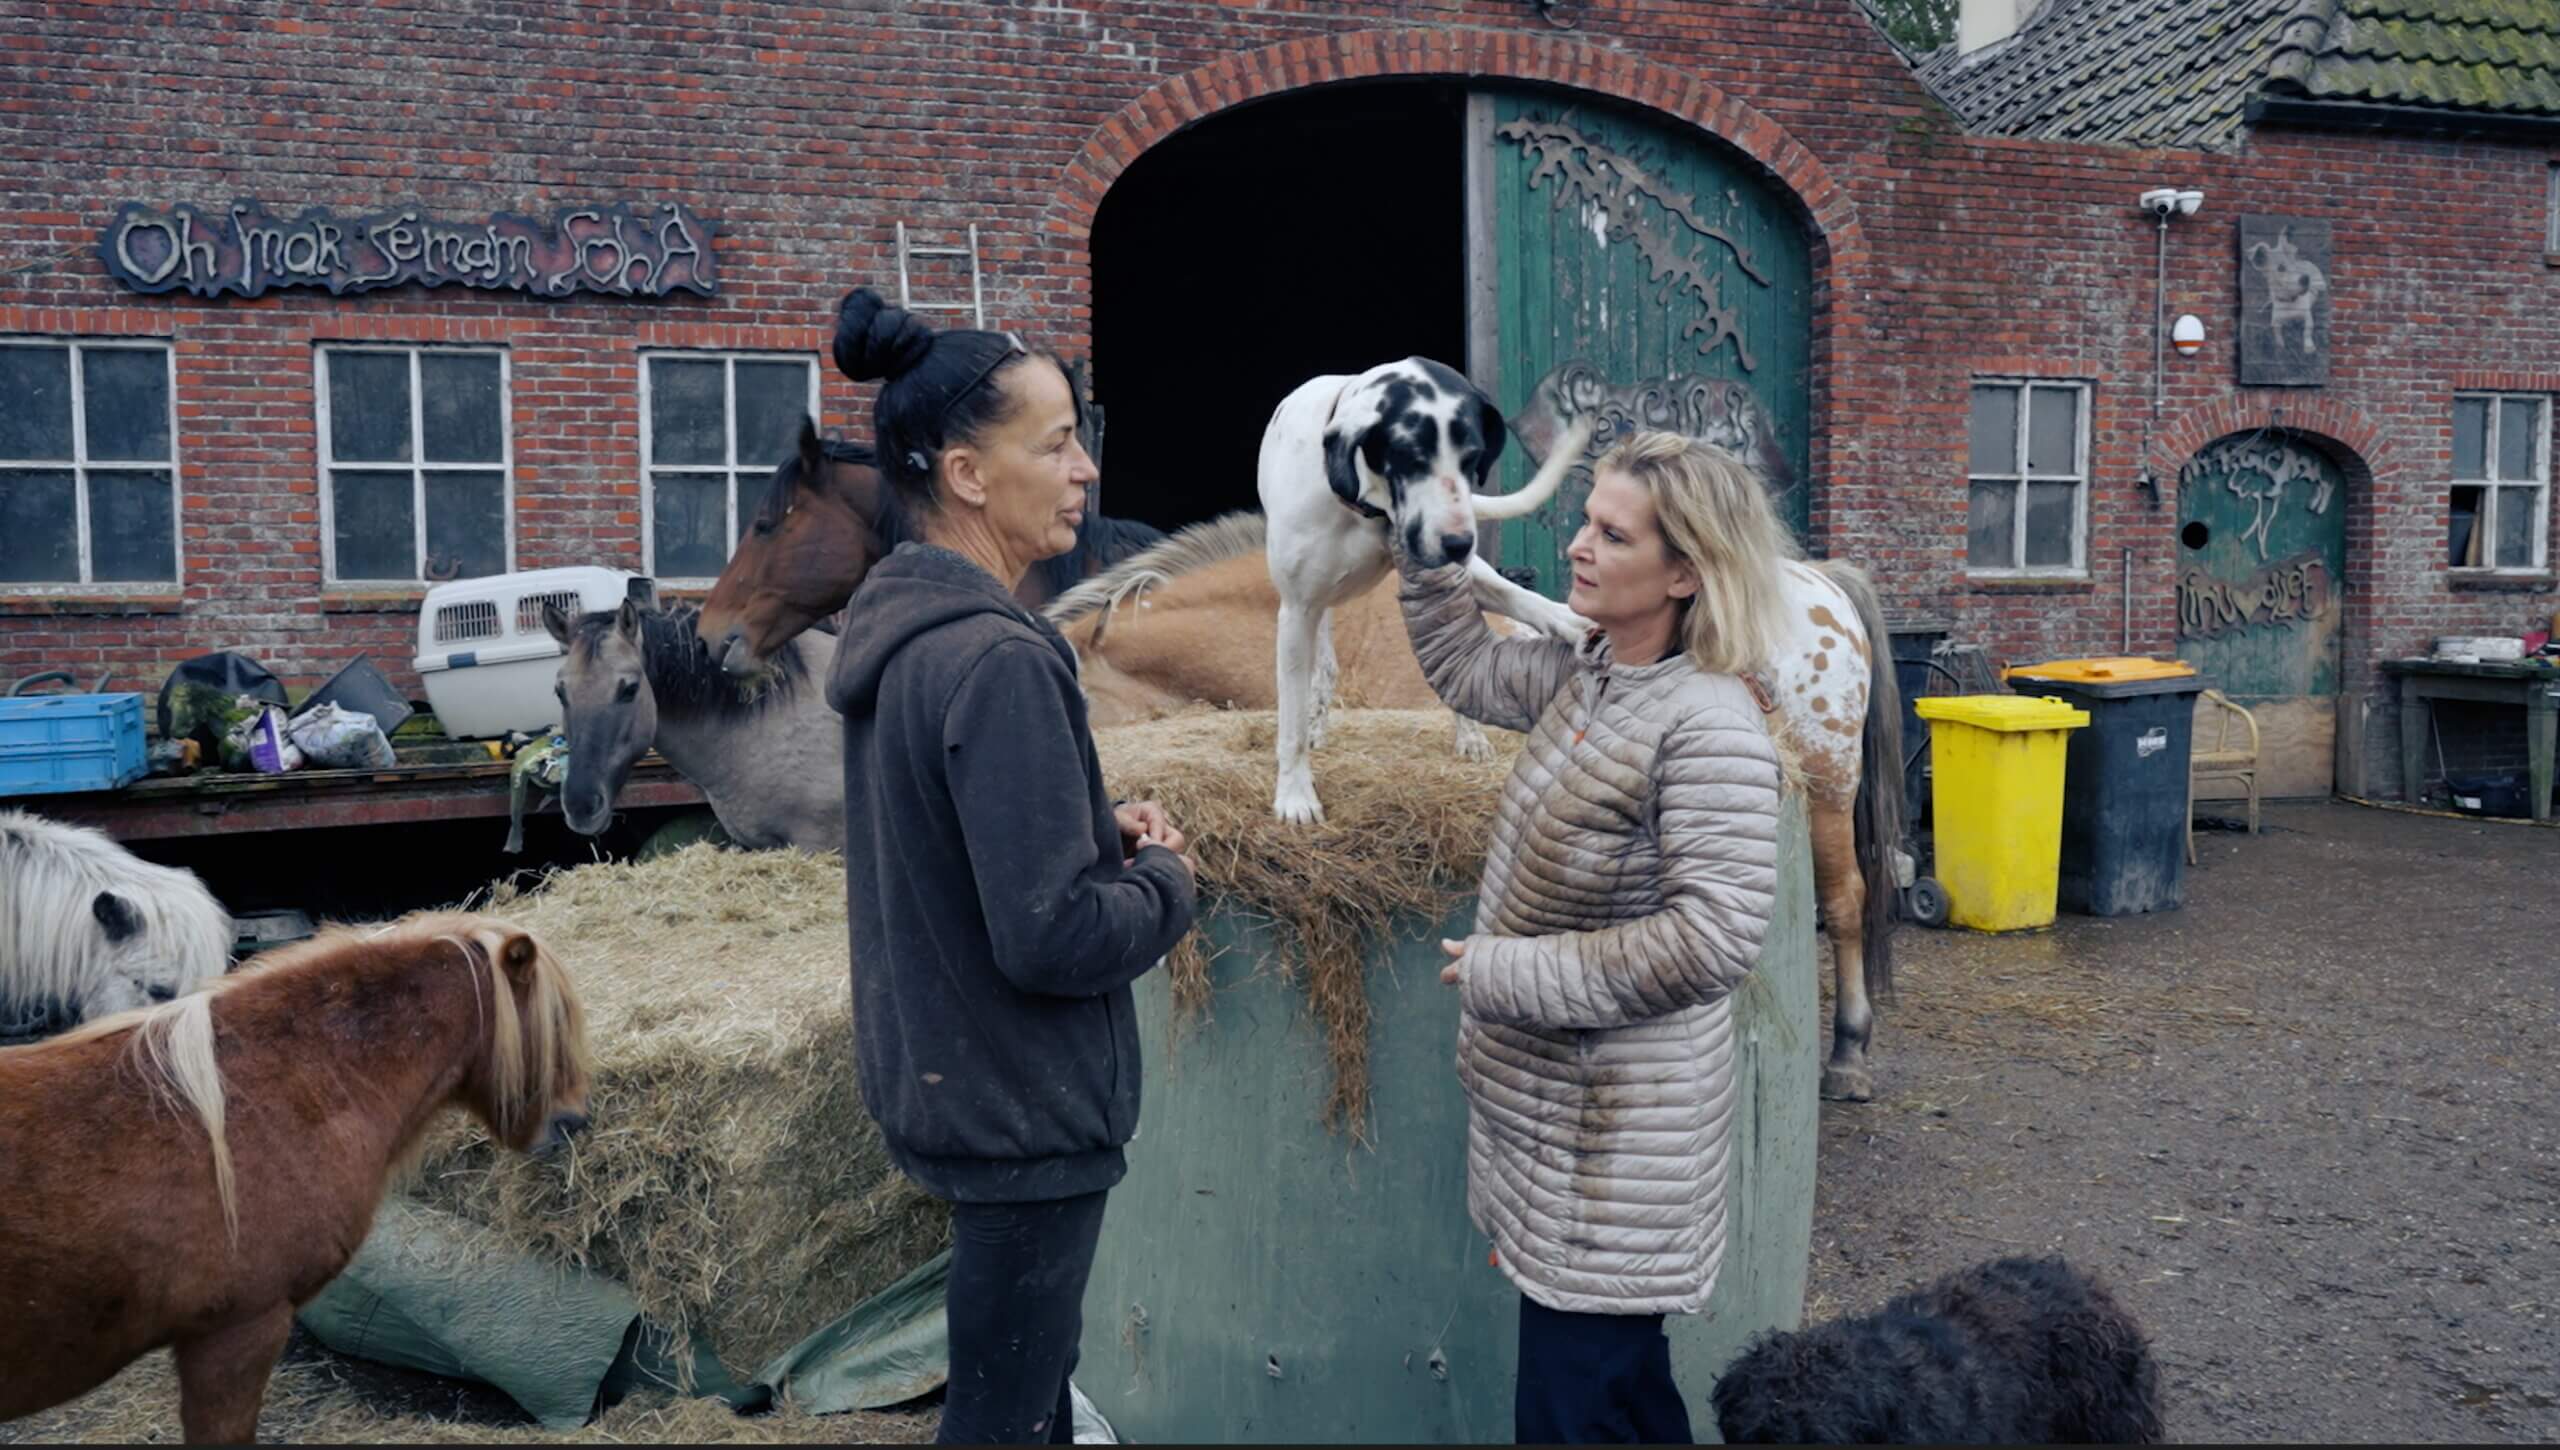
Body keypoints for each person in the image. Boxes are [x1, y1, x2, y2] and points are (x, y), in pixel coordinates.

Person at [824, 287, 1198, 1446]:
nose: (1082, 468)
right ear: (969, 475)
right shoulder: (997, 661)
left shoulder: (903, 639)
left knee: (1023, 1399)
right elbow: (1051, 935)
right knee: (997, 1419)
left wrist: (1090, 826)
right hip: (1024, 1111)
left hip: (957, 1086)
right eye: (1054, 442)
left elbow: (959, 848)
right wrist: (1166, 882)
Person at [1399, 428, 1787, 1444]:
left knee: (1570, 1410)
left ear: (1686, 573)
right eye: (1584, 520)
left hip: (1620, 1146)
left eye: (1611, 535)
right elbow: (1470, 669)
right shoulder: (1594, 670)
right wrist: (1428, 543)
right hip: (1563, 1123)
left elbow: (1712, 939)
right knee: (1618, 1395)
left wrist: (1509, 970)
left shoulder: (1708, 725)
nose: (1575, 544)